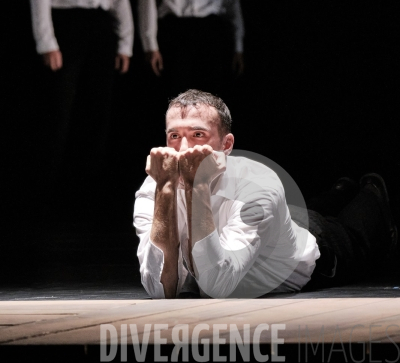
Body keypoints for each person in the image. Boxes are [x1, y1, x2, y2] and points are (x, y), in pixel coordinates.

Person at [133, 89, 397, 299]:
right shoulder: (154, 185)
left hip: (317, 246)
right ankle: (340, 190)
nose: (184, 148)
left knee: (355, 235)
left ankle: (371, 189)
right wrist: (166, 190)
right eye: (175, 135)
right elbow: (158, 289)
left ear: (226, 145)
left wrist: (197, 186)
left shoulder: (258, 185)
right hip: (268, 221)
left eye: (198, 134)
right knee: (307, 207)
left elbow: (216, 286)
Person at [30, 0, 134, 214]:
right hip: (67, 26)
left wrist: (125, 43)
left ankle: (85, 194)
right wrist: (47, 41)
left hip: (101, 27)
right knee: (60, 109)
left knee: (98, 110)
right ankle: (47, 193)